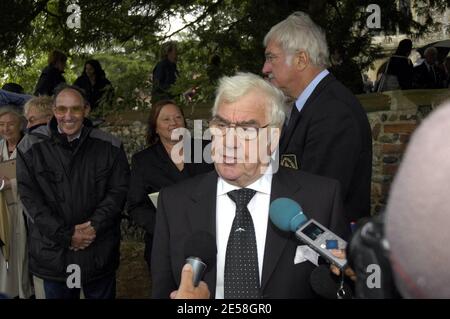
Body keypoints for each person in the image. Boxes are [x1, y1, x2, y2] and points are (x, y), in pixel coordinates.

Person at [151, 72, 349, 299]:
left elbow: (344, 282)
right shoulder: (174, 203)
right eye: (221, 125)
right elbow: (162, 289)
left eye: (247, 129)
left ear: (273, 138)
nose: (228, 142)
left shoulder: (322, 199)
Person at [16, 85, 130, 299]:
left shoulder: (110, 146)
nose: (68, 116)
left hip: (98, 250)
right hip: (55, 254)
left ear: (86, 110)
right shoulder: (30, 147)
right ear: (53, 110)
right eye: (61, 109)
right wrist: (67, 235)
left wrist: (94, 226)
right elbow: (30, 199)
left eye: (75, 109)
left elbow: (118, 192)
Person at [262, 11, 372, 223]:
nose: (265, 68)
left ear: (301, 60)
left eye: (271, 58)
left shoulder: (334, 112)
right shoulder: (308, 105)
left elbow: (317, 198)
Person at [127, 99, 213, 272]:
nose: (173, 123)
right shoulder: (143, 161)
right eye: (166, 119)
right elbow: (136, 206)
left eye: (178, 117)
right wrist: (164, 228)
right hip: (164, 246)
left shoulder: (207, 150)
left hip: (207, 241)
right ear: (155, 128)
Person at [0, 106, 33, 298]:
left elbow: (34, 178)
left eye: (10, 124)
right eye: (2, 125)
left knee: (23, 254)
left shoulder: (29, 146)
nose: (6, 128)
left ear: (20, 124)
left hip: (24, 209)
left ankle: (24, 292)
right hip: (3, 209)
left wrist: (9, 183)